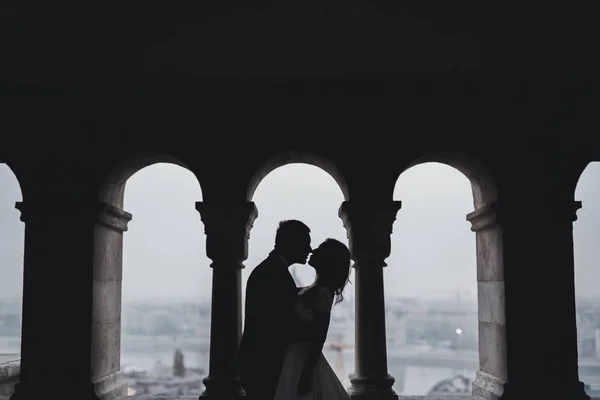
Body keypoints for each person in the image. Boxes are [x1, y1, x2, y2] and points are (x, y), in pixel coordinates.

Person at [238, 220, 314, 400]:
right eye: (306, 244)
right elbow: (280, 323)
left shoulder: (270, 270)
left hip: (258, 361)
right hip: (265, 364)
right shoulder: (276, 274)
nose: (309, 250)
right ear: (292, 243)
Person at [272, 238, 352, 400]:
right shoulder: (314, 290)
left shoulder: (321, 293)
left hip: (300, 360)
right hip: (298, 358)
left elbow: (319, 337)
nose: (313, 251)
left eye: (319, 250)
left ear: (327, 261)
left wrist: (305, 376)